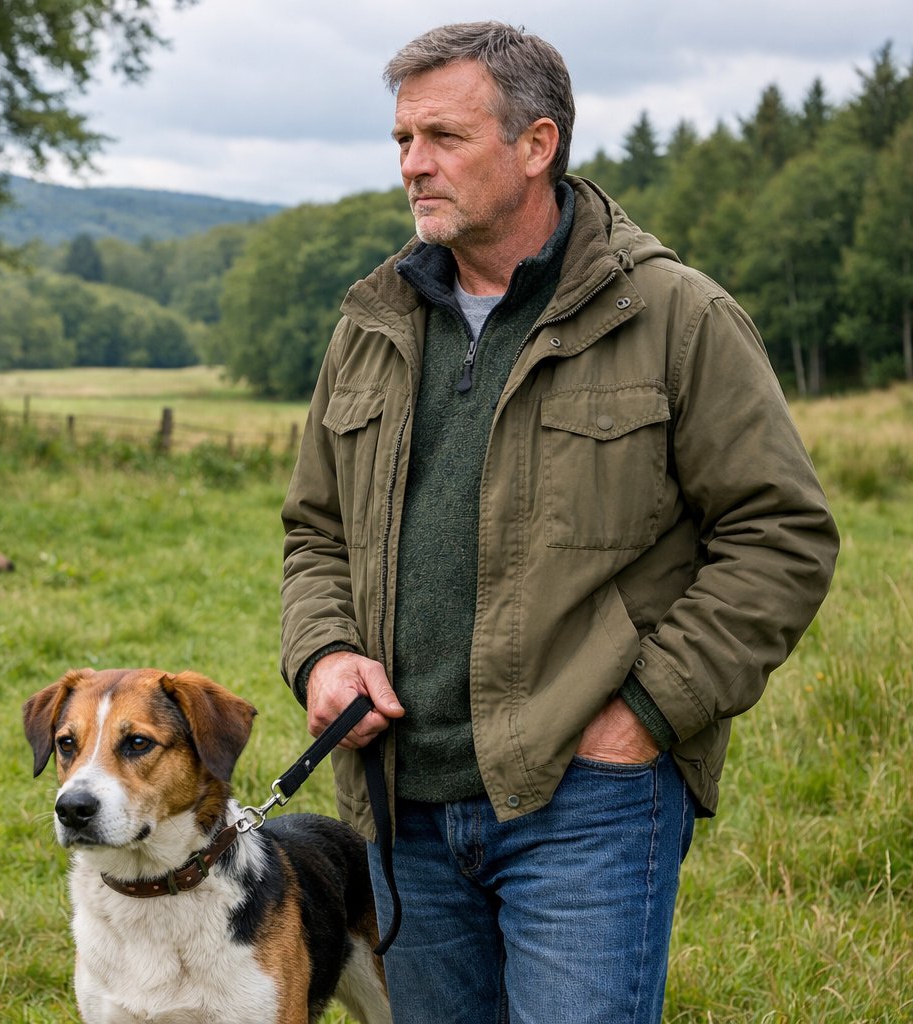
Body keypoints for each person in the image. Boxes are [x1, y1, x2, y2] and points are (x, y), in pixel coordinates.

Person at [279, 21, 838, 1023]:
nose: (414, 165)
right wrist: (322, 654)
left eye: (444, 137)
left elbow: (780, 534)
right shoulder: (371, 323)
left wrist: (650, 711)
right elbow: (315, 531)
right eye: (404, 140)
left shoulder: (674, 315)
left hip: (587, 804)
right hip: (400, 806)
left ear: (537, 146)